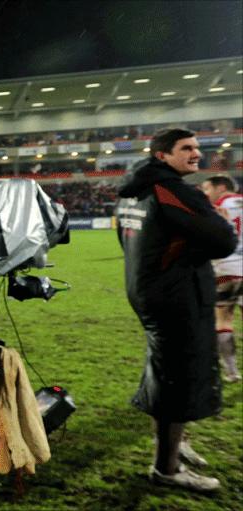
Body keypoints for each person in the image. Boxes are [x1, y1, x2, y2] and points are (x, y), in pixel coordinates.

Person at [115, 128, 235, 492]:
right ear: (162, 155)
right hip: (177, 296)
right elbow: (224, 239)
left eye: (198, 147)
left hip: (149, 290)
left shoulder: (132, 190)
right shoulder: (172, 191)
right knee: (179, 377)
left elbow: (125, 239)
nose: (196, 154)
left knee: (165, 369)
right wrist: (188, 254)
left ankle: (176, 444)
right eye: (187, 148)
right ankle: (166, 469)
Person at [199, 175, 242, 383]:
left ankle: (232, 372)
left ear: (221, 187)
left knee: (223, 319)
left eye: (207, 189)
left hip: (225, 269)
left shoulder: (214, 209)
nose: (205, 193)